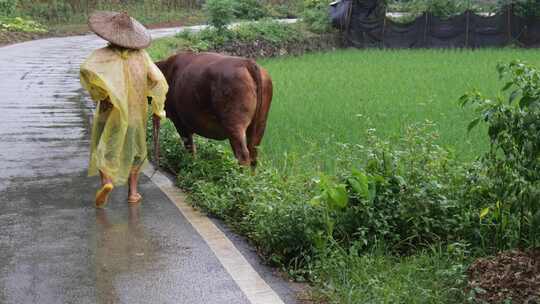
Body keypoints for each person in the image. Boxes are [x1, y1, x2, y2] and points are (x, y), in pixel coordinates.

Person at [80, 11, 168, 208]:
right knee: (136, 151)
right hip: (136, 114)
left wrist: (102, 94)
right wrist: (158, 108)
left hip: (108, 112)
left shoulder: (102, 55)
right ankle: (133, 193)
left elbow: (86, 71)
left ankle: (106, 182)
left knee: (104, 147)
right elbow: (157, 81)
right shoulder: (142, 57)